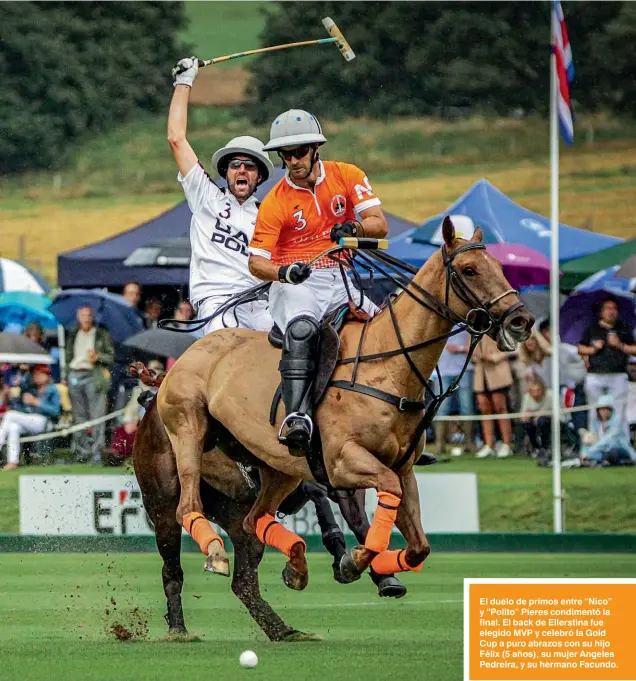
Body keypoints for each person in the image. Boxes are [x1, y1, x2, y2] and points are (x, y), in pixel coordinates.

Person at [248, 109, 388, 454]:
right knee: (303, 330)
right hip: (298, 283)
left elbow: (378, 224)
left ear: (315, 149)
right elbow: (256, 263)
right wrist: (284, 273)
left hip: (342, 277)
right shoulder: (276, 201)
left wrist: (354, 229)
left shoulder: (347, 175)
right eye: (286, 154)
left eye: (299, 152)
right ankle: (296, 415)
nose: (293, 161)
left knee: (384, 327)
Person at [168, 56, 274, 335]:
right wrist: (184, 82)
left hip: (259, 304)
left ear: (259, 176)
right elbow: (176, 138)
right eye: (235, 165)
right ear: (225, 172)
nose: (242, 170)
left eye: (249, 166)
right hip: (216, 301)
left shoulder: (269, 214)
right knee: (228, 340)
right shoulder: (205, 196)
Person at [578, 298, 636, 431]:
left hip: (618, 375)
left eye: (614, 308)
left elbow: (634, 349)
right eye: (608, 308)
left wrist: (620, 345)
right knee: (593, 410)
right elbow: (580, 348)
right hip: (595, 374)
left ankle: (618, 441)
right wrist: (593, 349)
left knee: (619, 410)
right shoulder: (592, 329)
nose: (611, 312)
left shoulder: (624, 329)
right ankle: (595, 441)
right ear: (601, 311)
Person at [65, 306, 114, 463]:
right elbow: (67, 357)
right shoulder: (73, 334)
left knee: (97, 415)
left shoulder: (101, 334)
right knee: (78, 416)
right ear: (78, 318)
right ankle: (80, 452)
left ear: (92, 317)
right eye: (83, 315)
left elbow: (111, 357)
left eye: (88, 315)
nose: (86, 318)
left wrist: (98, 356)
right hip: (75, 374)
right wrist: (67, 374)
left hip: (93, 374)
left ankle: (97, 453)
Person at [1, 364, 61, 470]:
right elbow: (24, 409)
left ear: (47, 375)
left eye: (40, 374)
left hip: (46, 421)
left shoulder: (53, 389)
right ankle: (13, 462)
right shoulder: (32, 389)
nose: (37, 377)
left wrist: (36, 402)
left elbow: (56, 411)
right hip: (31, 420)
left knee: (9, 415)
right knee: (13, 427)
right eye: (35, 375)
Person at [433, 328, 475, 456]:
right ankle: (439, 445)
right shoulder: (441, 320)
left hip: (465, 369)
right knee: (441, 409)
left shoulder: (468, 323)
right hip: (443, 371)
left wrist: (460, 348)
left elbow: (474, 347)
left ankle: (469, 444)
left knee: (467, 408)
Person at [472, 334, 514, 458]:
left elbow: (512, 346)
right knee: (484, 408)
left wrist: (496, 357)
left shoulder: (498, 323)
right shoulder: (472, 328)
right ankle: (489, 445)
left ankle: (507, 444)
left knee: (500, 407)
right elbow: (470, 348)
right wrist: (475, 356)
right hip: (480, 372)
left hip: (497, 370)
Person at [580, 394, 636, 466]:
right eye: (601, 409)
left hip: (618, 449)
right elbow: (589, 440)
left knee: (613, 453)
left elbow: (607, 440)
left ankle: (623, 461)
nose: (603, 411)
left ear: (610, 410)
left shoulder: (617, 421)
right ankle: (605, 461)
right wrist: (583, 454)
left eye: (606, 409)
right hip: (600, 451)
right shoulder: (595, 423)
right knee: (593, 455)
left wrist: (589, 452)